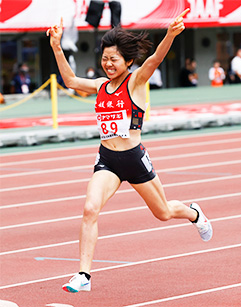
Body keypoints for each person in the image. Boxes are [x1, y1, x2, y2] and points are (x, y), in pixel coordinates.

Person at [47, 8, 212, 293]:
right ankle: (83, 275)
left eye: (114, 59)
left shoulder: (135, 82)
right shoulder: (100, 86)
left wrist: (170, 35)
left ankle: (194, 213)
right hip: (108, 160)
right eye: (105, 58)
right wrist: (56, 46)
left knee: (162, 212)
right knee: (89, 209)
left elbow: (156, 59)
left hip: (134, 159)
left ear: (128, 61)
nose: (108, 64)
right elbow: (72, 81)